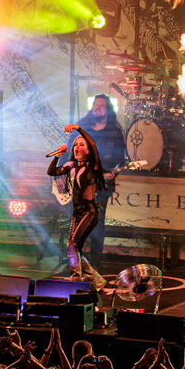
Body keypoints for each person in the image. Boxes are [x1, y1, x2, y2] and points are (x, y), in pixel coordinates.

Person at [66, 96, 126, 263]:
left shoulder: (114, 131)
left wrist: (113, 172)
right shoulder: (82, 127)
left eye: (101, 105)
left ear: (108, 110)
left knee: (97, 223)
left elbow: (120, 159)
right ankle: (74, 261)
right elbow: (69, 153)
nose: (97, 108)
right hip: (80, 183)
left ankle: (95, 262)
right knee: (77, 222)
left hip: (101, 185)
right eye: (95, 105)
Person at [48, 129, 115, 277]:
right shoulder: (71, 165)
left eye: (82, 145)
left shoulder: (93, 165)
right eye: (75, 145)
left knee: (72, 246)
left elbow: (92, 142)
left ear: (89, 150)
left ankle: (76, 279)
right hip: (76, 212)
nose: (77, 147)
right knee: (73, 247)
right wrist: (57, 156)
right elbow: (51, 172)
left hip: (90, 212)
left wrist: (78, 128)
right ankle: (96, 280)